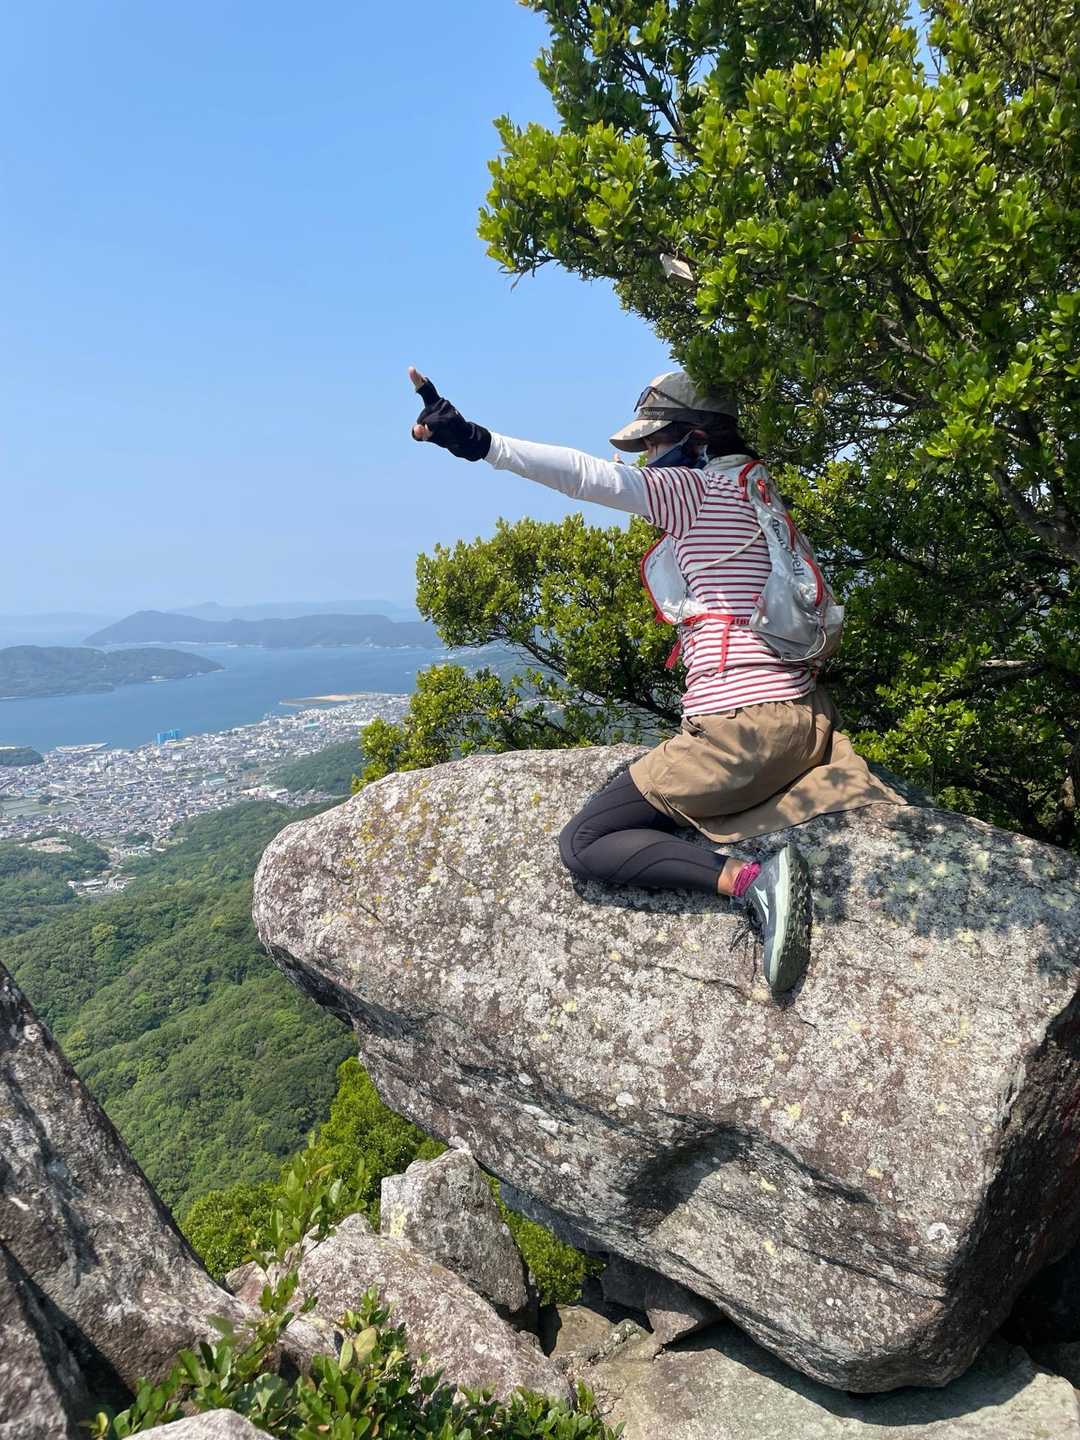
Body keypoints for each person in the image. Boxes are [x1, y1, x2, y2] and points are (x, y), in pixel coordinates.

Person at [408, 365, 902, 996]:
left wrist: (478, 441)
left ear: (695, 438)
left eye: (652, 442)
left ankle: (752, 882)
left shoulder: (698, 492)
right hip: (803, 717)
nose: (646, 457)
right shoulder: (755, 488)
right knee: (634, 796)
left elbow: (586, 476)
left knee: (586, 842)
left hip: (744, 732)